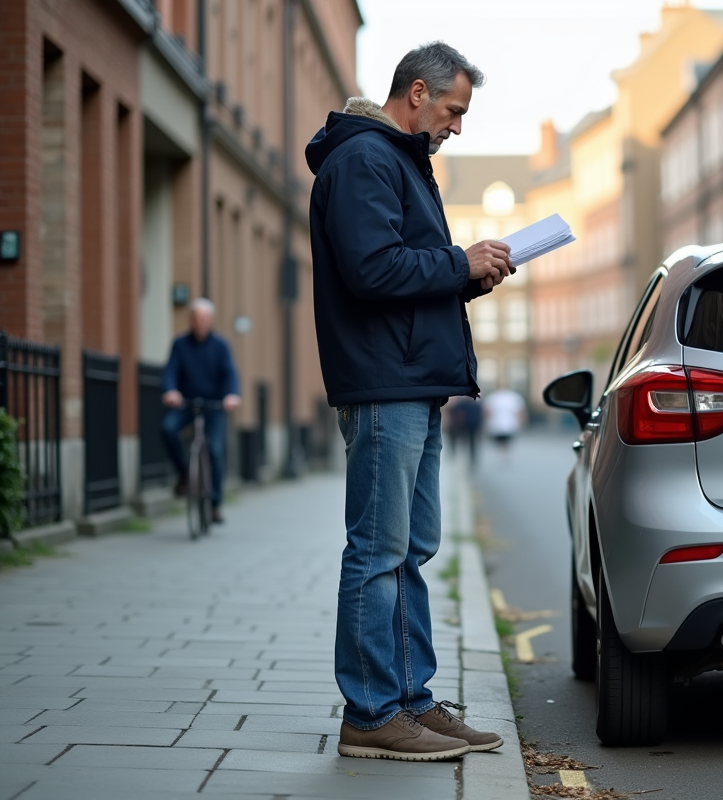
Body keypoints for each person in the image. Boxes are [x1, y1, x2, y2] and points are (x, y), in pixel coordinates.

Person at [305, 42, 510, 762]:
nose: (458, 126)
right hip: (382, 381)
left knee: (410, 549)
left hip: (411, 381)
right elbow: (371, 270)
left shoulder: (399, 160)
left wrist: (467, 277)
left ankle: (410, 701)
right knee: (378, 549)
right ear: (417, 93)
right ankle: (369, 713)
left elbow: (404, 271)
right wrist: (459, 262)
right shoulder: (364, 159)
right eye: (454, 110)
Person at [161, 298, 241, 524]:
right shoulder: (180, 344)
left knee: (215, 450)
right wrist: (171, 391)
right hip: (186, 403)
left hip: (214, 406)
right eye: (195, 318)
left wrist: (231, 395)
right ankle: (184, 474)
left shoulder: (221, 345)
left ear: (211, 321)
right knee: (167, 428)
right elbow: (170, 371)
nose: (199, 322)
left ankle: (215, 503)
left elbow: (230, 373)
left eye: (204, 318)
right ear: (190, 320)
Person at [483, 388, 526, 456]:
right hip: (498, 425)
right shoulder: (493, 397)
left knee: (506, 439)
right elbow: (487, 412)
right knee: (501, 439)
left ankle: (504, 451)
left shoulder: (513, 397)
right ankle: (503, 450)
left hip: (509, 425)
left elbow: (520, 412)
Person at [446, 395, 482, 468]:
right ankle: (461, 457)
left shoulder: (474, 405)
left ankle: (470, 459)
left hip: (471, 427)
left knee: (471, 444)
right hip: (463, 427)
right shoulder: (462, 404)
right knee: (465, 443)